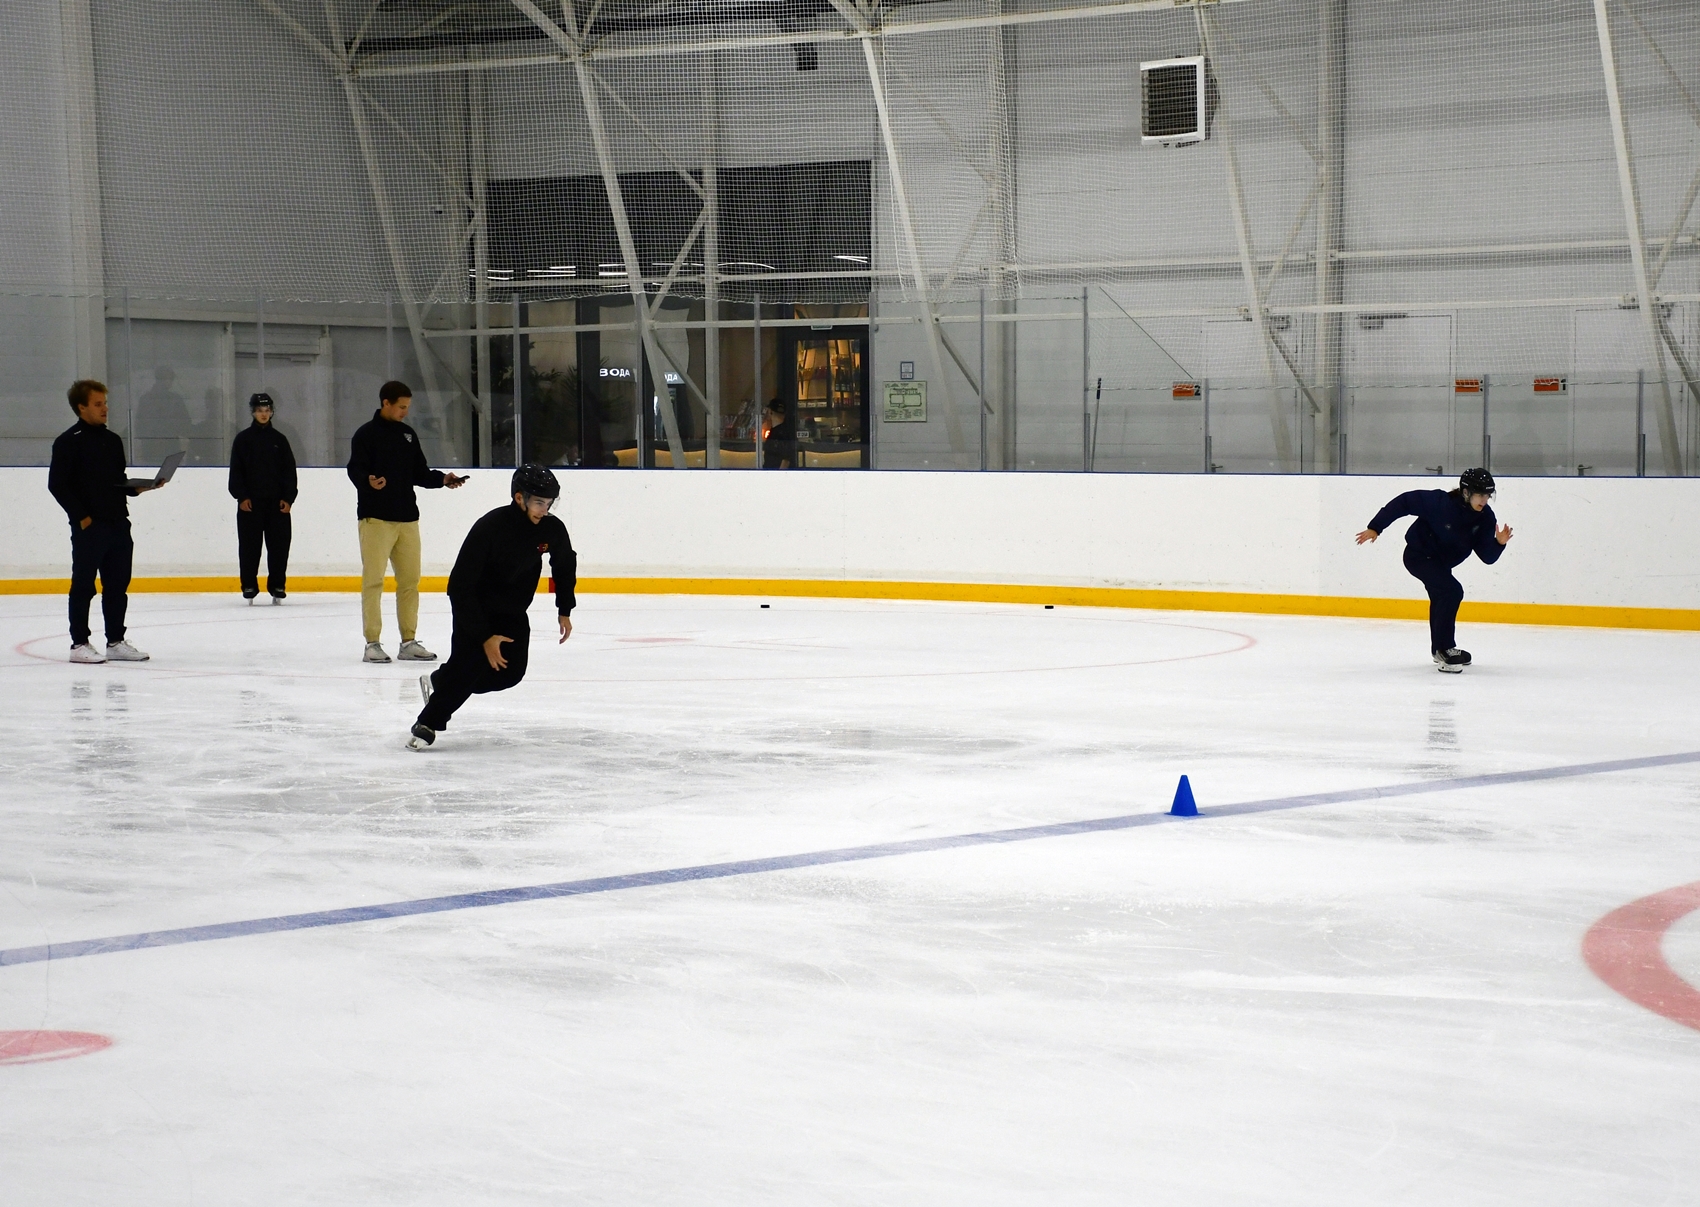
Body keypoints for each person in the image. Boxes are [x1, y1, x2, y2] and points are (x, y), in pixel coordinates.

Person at [407, 464, 576, 751]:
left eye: (549, 504)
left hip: (512, 612)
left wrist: (564, 608)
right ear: (519, 498)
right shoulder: (491, 527)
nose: (544, 510)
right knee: (470, 667)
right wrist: (484, 636)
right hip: (475, 609)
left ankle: (443, 680)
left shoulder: (550, 528)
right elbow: (459, 587)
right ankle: (427, 724)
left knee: (509, 675)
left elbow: (564, 563)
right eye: (538, 502)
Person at [47, 380, 168, 663]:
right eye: (98, 404)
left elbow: (117, 482)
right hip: (90, 526)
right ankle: (79, 644)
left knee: (117, 585)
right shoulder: (67, 442)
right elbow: (57, 485)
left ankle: (115, 641)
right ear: (82, 407)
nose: (105, 409)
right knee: (84, 585)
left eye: (105, 403)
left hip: (117, 523)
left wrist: (139, 487)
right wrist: (82, 517)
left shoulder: (112, 440)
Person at [346, 380, 467, 663]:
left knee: (410, 581)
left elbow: (419, 472)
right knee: (373, 581)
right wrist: (368, 482)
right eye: (401, 407)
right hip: (375, 519)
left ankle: (408, 641)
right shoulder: (365, 435)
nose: (405, 412)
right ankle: (372, 643)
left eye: (407, 407)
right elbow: (355, 469)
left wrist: (442, 480)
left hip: (407, 519)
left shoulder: (408, 435)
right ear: (385, 403)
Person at [1357, 468, 1513, 672]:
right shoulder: (1439, 503)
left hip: (1441, 563)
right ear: (1466, 492)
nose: (1484, 500)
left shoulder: (1484, 518)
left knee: (1444, 596)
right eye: (1480, 494)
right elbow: (1404, 502)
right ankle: (1445, 649)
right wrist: (1376, 527)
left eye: (1487, 495)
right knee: (1451, 591)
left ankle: (1440, 649)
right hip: (1418, 556)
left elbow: (1487, 556)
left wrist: (1499, 544)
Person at [228, 392, 297, 604]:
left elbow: (289, 472)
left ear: (272, 412)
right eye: (259, 410)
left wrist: (288, 498)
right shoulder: (243, 440)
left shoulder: (280, 440)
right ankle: (249, 584)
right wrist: (241, 497)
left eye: (267, 411)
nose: (264, 414)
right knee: (249, 547)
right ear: (252, 412)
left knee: (279, 547)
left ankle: (277, 585)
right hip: (250, 504)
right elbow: (236, 472)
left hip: (277, 505)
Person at [762, 398, 796, 469]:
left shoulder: (779, 434)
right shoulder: (785, 431)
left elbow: (786, 459)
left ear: (770, 411)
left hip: (775, 475)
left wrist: (778, 476)